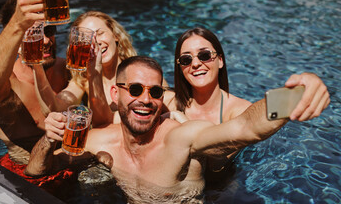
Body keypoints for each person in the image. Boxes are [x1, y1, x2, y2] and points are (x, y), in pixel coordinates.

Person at [25, 56, 329, 203]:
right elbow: (37, 171)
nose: (145, 99)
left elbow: (246, 127)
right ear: (115, 94)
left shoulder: (180, 139)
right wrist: (48, 139)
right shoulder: (96, 141)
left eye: (155, 92)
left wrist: (295, 96)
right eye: (134, 89)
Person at [172, 27, 330, 177]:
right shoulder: (167, 101)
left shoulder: (237, 110)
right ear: (180, 67)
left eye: (204, 55)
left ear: (220, 60)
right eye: (186, 59)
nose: (195, 63)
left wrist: (296, 95)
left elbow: (249, 125)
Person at [33, 10, 174, 126]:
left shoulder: (143, 71)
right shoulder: (82, 82)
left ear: (116, 36)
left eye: (100, 34)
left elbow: (169, 103)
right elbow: (55, 108)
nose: (95, 43)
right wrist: (36, 66)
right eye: (86, 39)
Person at [0, 0, 70, 165]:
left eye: (49, 31)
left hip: (71, 161)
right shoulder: (9, 84)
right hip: (28, 176)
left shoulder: (66, 68)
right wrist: (16, 24)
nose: (45, 41)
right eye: (34, 33)